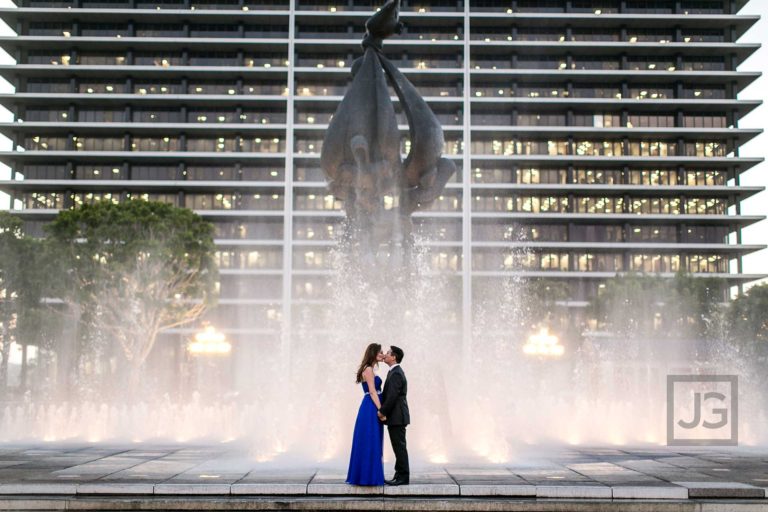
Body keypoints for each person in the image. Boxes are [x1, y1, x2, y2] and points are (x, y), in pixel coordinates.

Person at [346, 343, 385, 486]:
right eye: (380, 352)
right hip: (371, 408)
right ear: (373, 353)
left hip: (370, 405)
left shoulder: (369, 368)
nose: (382, 355)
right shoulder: (368, 369)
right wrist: (381, 410)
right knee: (370, 440)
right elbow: (373, 391)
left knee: (372, 440)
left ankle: (368, 475)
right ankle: (367, 477)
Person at [378, 345, 410, 486]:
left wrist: (382, 411)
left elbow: (392, 397)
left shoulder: (396, 373)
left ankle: (403, 477)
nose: (385, 354)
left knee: (400, 447)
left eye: (388, 353)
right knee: (398, 446)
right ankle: (399, 475)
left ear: (394, 357)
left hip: (397, 417)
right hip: (396, 417)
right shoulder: (394, 371)